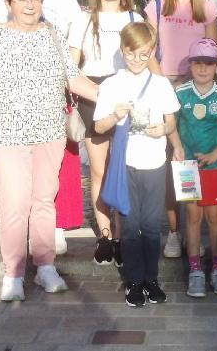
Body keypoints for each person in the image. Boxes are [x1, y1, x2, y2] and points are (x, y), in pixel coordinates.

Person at [0, 0, 99, 302]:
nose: (29, 4)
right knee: (14, 202)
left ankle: (44, 266)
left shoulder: (52, 35)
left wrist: (110, 95)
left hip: (50, 134)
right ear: (9, 3)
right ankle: (12, 272)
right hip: (6, 135)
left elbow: (73, 77)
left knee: (43, 200)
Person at [0, 0, 83, 255]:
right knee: (17, 181)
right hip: (12, 104)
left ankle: (53, 227)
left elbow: (72, 48)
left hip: (56, 93)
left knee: (54, 170)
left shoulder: (64, 0)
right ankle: (22, 237)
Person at [93, 22, 182, 308]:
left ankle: (151, 279)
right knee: (130, 227)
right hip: (126, 164)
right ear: (123, 50)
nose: (137, 60)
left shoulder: (160, 83)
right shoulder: (111, 83)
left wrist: (164, 130)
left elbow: (171, 120)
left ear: (152, 52)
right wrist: (115, 115)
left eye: (144, 55)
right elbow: (99, 125)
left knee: (152, 227)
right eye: (132, 54)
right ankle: (133, 281)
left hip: (155, 162)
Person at [68, 0, 143, 266]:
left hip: (127, 92)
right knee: (98, 170)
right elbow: (71, 65)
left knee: (123, 170)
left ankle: (124, 235)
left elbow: (146, 58)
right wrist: (100, 93)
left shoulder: (135, 17)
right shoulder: (84, 20)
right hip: (93, 93)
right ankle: (105, 234)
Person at [145, 0, 217, 259]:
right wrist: (165, 86)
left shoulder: (207, 7)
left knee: (194, 159)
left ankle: (196, 232)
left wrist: (198, 84)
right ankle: (174, 232)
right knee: (172, 162)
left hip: (196, 88)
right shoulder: (156, 6)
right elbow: (148, 51)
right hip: (165, 84)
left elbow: (212, 51)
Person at [175, 39, 217, 298]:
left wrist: (215, 154)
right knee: (193, 217)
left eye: (208, 64)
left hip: (215, 167)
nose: (202, 69)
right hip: (186, 168)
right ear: (190, 65)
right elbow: (171, 126)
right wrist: (176, 148)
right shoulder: (179, 93)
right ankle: (195, 269)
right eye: (197, 63)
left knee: (214, 217)